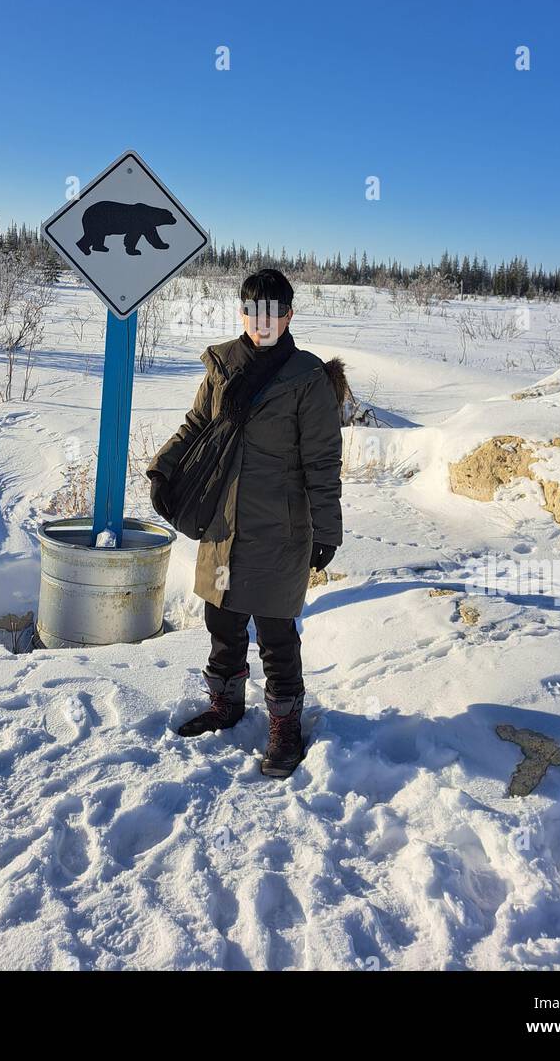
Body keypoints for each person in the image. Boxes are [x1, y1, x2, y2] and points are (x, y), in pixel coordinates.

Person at [147, 268, 344, 777]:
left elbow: (322, 460)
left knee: (277, 630)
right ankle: (226, 705)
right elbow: (197, 425)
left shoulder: (307, 378)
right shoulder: (222, 363)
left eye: (273, 312)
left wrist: (327, 530)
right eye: (253, 312)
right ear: (242, 313)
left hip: (280, 527)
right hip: (221, 521)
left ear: (288, 316)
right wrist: (163, 468)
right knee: (222, 618)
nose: (263, 323)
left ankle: (285, 727)